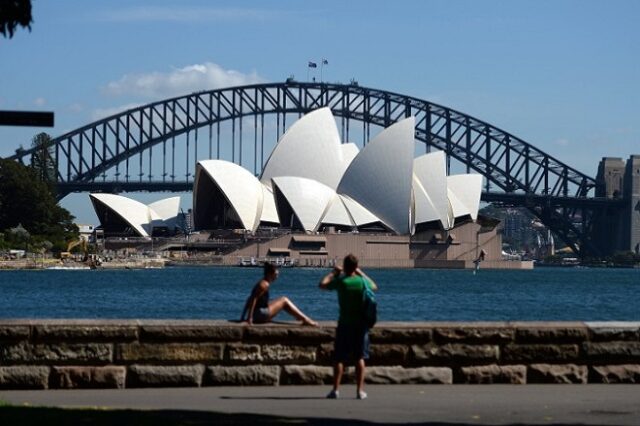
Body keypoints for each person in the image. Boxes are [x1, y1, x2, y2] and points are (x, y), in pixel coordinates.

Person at [319, 253, 378, 400]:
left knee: (339, 358)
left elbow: (322, 284)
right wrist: (360, 272)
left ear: (345, 267)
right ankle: (359, 391)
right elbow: (374, 286)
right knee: (360, 358)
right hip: (361, 325)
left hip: (344, 323)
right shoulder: (361, 282)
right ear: (355, 267)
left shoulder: (341, 281)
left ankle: (335, 390)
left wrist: (333, 272)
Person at [240, 261, 317, 326]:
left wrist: (242, 317)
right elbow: (253, 299)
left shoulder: (261, 283)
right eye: (276, 275)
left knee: (282, 302)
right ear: (269, 274)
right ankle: (305, 319)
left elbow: (249, 299)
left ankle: (299, 317)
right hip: (260, 315)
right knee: (284, 300)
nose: (277, 277)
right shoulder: (264, 285)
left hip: (257, 314)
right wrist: (249, 318)